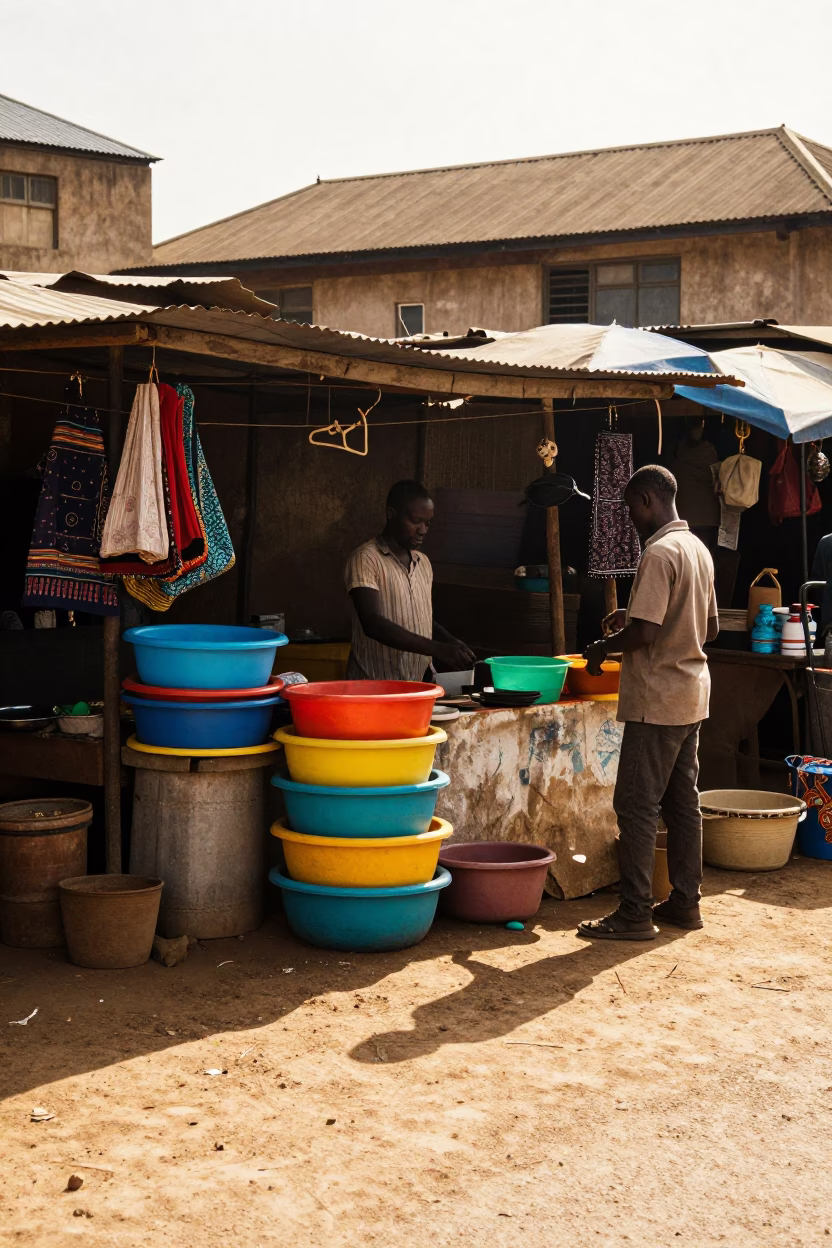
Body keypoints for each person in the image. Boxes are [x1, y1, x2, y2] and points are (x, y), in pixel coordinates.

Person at [578, 465, 719, 941]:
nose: (631, 519)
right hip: (692, 695)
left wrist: (601, 648)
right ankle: (685, 902)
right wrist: (634, 617)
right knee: (683, 805)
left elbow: (647, 633)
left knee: (637, 805)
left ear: (644, 499)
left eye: (630, 508)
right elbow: (710, 627)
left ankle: (635, 912)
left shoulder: (659, 552)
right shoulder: (696, 548)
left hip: (656, 701)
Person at [344, 480, 475, 681]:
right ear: (391, 513)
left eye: (428, 523)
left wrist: (450, 641)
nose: (423, 530)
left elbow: (419, 618)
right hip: (373, 686)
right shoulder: (366, 558)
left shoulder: (423, 563)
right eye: (416, 521)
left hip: (415, 686)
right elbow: (372, 623)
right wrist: (438, 648)